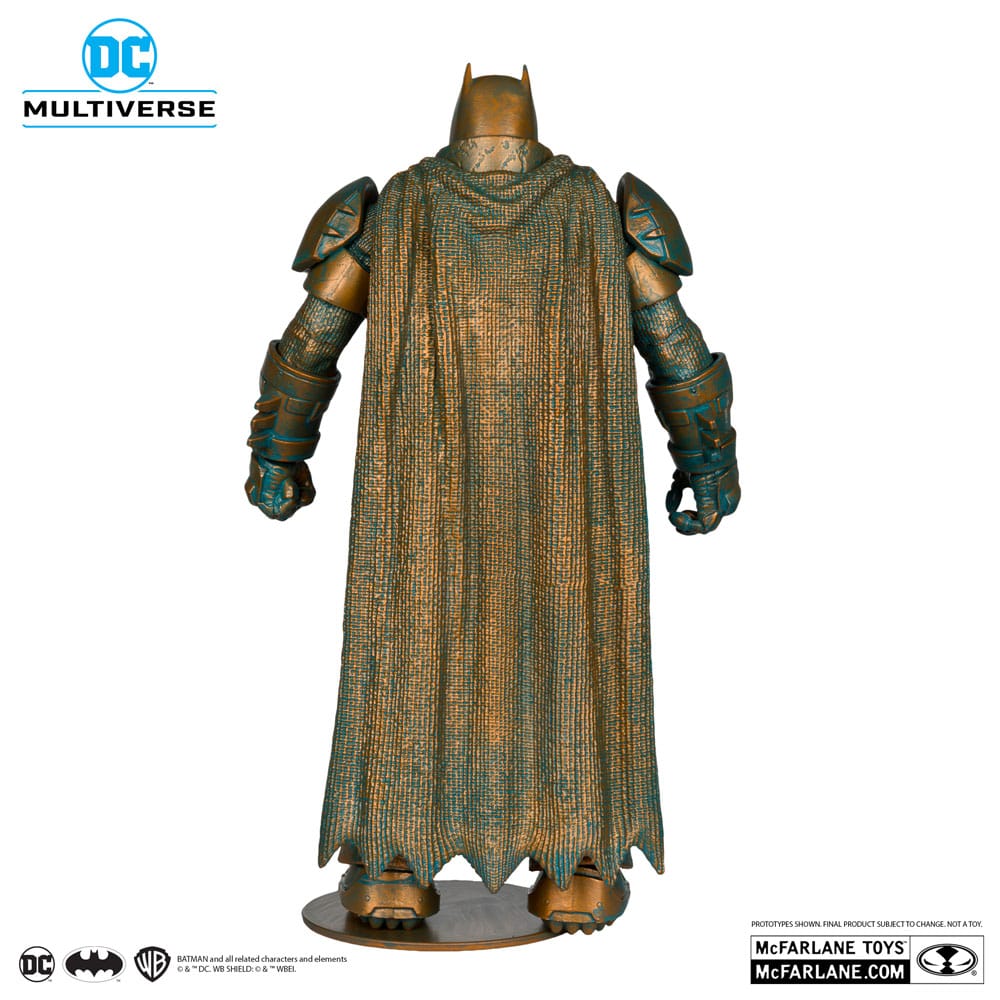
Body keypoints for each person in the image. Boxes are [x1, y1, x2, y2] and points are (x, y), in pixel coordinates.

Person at [244, 65, 740, 935]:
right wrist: (709, 463)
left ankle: (392, 868)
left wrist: (279, 453)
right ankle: (578, 869)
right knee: (572, 643)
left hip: (425, 488)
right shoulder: (599, 213)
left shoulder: (396, 209)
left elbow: (309, 339)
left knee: (410, 642)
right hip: (566, 490)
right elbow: (677, 347)